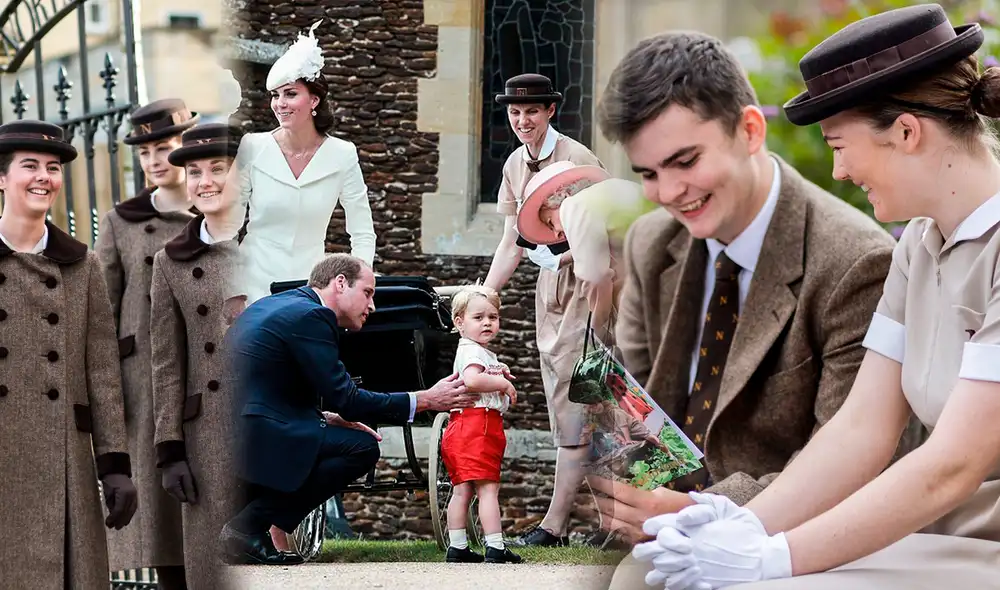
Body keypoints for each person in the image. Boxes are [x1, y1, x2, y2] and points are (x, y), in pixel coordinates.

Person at [617, 5, 1000, 589]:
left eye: (840, 146)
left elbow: (952, 466)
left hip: (980, 544)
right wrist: (742, 521)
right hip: (934, 536)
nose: (839, 170)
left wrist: (772, 556)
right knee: (649, 575)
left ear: (905, 131)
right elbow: (861, 430)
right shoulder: (919, 246)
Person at [586, 29, 901, 548]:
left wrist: (700, 513)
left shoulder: (857, 264)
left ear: (751, 130)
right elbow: (636, 414)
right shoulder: (650, 242)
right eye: (648, 173)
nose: (667, 193)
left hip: (786, 542)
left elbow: (851, 463)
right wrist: (634, 497)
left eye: (686, 162)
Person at [220, 253, 482, 565]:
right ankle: (247, 527)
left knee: (331, 437)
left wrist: (325, 418)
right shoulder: (314, 316)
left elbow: (272, 386)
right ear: (340, 283)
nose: (372, 306)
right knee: (361, 448)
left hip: (231, 426)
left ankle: (244, 527)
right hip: (256, 432)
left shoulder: (273, 304)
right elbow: (347, 399)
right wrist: (425, 399)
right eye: (368, 293)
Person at [0, 120, 138, 589]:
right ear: (2, 177)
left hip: (65, 459)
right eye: (30, 166)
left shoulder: (82, 265)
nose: (43, 177)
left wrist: (115, 465)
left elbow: (102, 371)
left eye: (53, 168)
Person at [482, 74, 613, 546]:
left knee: (587, 401)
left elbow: (605, 231)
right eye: (515, 113)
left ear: (550, 111)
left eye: (532, 111)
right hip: (552, 292)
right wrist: (485, 295)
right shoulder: (515, 163)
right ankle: (608, 525)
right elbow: (510, 243)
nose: (522, 120)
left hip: (591, 286)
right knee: (572, 400)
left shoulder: (578, 160)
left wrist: (561, 256)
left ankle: (558, 526)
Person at [97, 98, 199, 589]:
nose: (156, 160)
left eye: (165, 147)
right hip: (144, 383)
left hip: (204, 374)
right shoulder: (122, 222)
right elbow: (100, 310)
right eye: (145, 153)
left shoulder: (217, 211)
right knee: (161, 519)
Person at [226, 20, 376, 316]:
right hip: (251, 284)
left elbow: (362, 232)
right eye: (275, 95)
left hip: (310, 290)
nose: (280, 104)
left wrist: (360, 287)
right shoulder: (253, 146)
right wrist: (231, 290)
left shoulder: (343, 154)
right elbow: (227, 226)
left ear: (314, 100)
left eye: (290, 93)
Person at [150, 123, 244, 589]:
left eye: (218, 169)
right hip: (204, 436)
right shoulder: (171, 260)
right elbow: (167, 363)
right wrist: (169, 452)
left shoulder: (273, 240)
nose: (204, 181)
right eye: (193, 172)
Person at [442, 285, 523, 564]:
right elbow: (474, 381)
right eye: (479, 318)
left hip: (462, 425)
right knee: (488, 488)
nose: (487, 322)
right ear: (459, 322)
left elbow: (480, 372)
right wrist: (502, 383)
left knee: (462, 489)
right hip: (479, 425)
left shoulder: (476, 351)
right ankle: (496, 546)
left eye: (493, 316)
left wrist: (499, 370)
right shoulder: (471, 352)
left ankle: (458, 546)